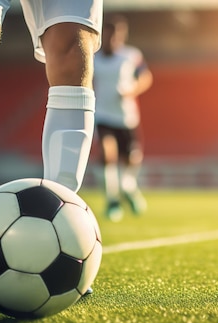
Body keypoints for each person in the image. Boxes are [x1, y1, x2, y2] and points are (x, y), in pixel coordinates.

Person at [0, 0, 218, 192]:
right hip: (110, 115)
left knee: (73, 53)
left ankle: (62, 219)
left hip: (122, 114)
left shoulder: (130, 56)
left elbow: (143, 76)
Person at [93, 14, 153, 222]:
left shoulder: (131, 55)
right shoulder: (94, 57)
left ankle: (128, 187)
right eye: (109, 34)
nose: (112, 39)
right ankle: (112, 201)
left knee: (131, 158)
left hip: (126, 117)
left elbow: (146, 77)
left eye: (117, 35)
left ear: (122, 35)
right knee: (106, 154)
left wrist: (131, 90)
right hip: (102, 115)